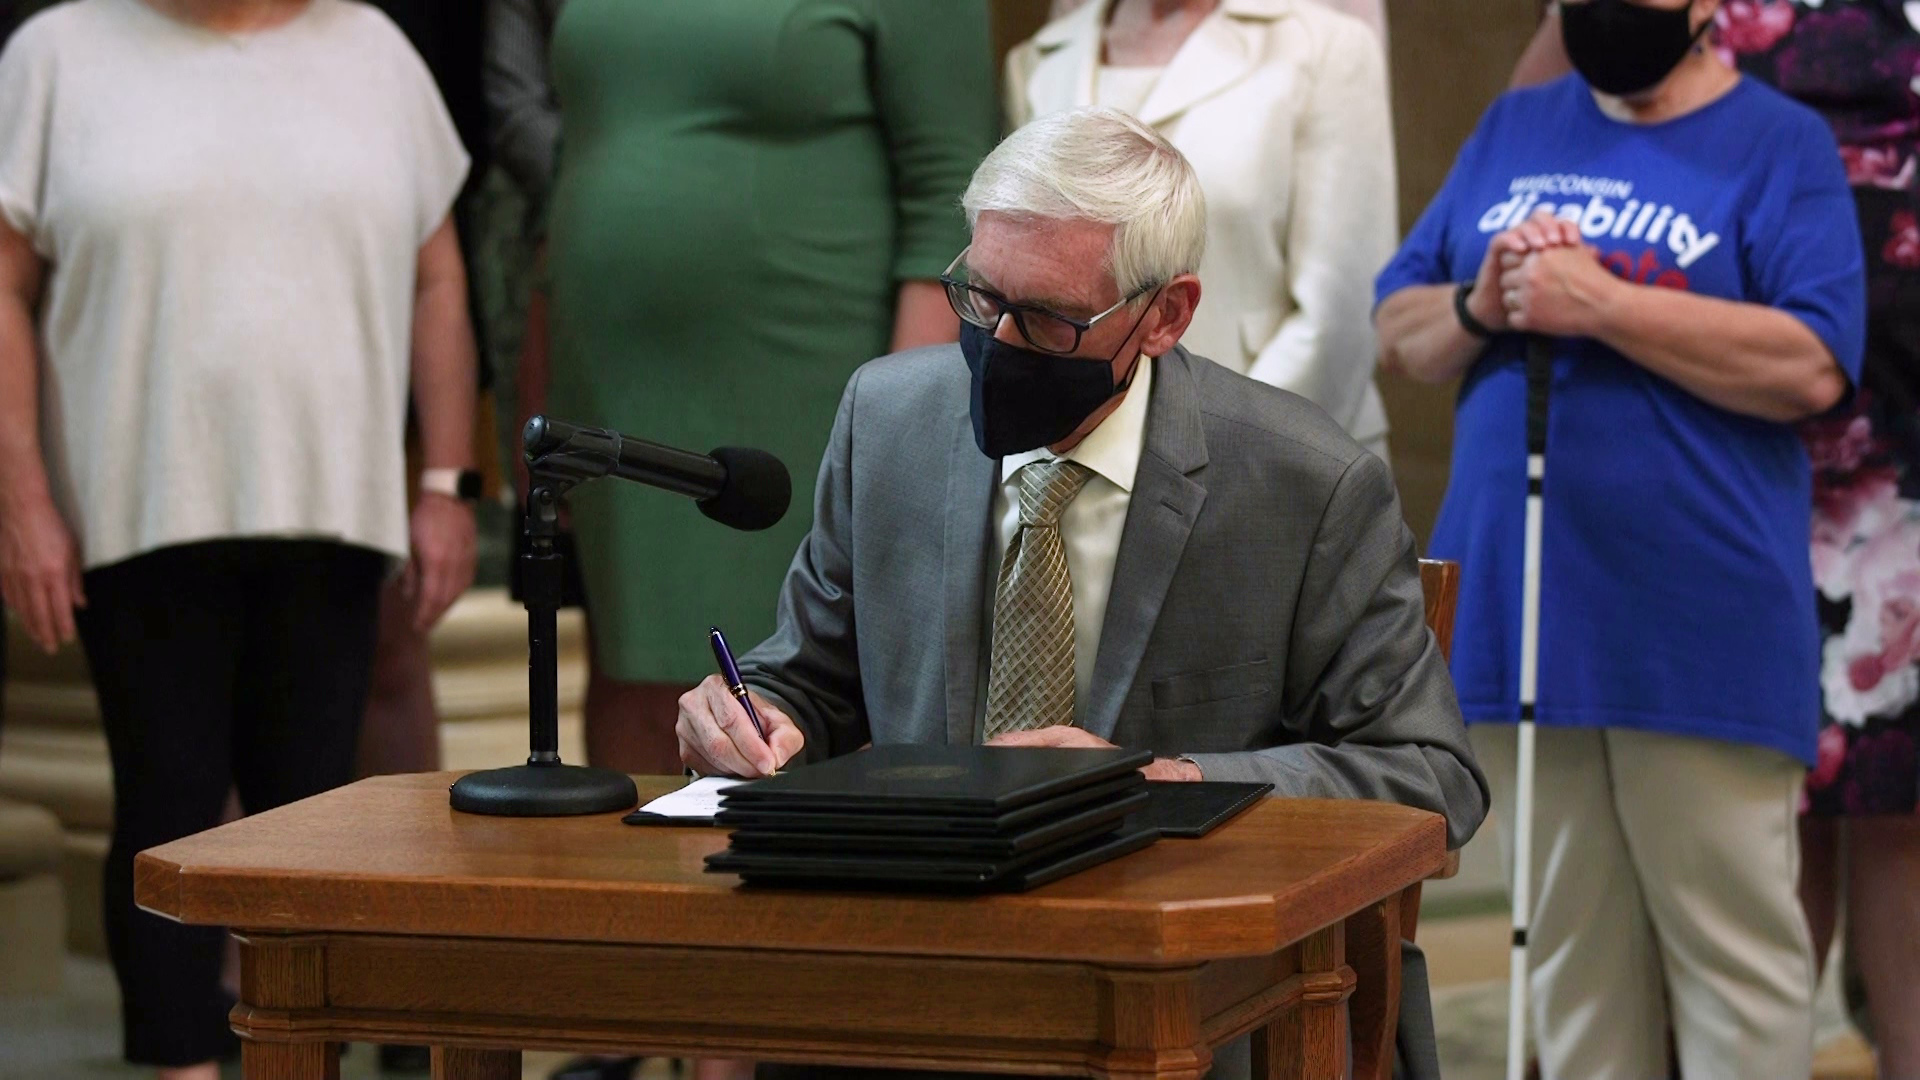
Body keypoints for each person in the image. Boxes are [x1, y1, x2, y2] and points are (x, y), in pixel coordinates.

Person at [675, 106, 1488, 1080]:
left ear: (1167, 315)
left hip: (1192, 998)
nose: (1000, 340)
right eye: (979, 300)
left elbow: (1432, 776)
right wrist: (753, 710)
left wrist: (1175, 784)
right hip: (911, 988)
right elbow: (811, 675)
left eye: (1050, 320)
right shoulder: (887, 418)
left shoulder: (1306, 482)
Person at [1373, 0, 1867, 1076]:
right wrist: (1486, 297)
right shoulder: (1515, 128)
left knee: (1732, 954)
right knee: (1567, 957)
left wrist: (1600, 303)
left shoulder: (1779, 142)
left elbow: (1811, 363)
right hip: (1522, 597)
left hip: (1700, 614)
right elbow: (1401, 325)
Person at [0, 1, 477, 1077]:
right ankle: (182, 1064)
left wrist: (449, 482)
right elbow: (4, 287)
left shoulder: (375, 49)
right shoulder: (58, 52)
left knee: (309, 834)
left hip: (333, 509)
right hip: (139, 507)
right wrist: (20, 495)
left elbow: (438, 275)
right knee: (167, 811)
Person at [1510, 3, 1920, 1072]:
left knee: (1900, 811)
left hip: (1899, 461)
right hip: (1713, 444)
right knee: (1748, 832)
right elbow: (1529, 134)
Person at [539, 0, 996, 777]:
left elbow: (949, 204)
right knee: (629, 662)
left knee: (787, 688)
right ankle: (632, 897)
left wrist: (903, 431)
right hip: (613, 379)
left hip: (801, 372)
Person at [1005, 0, 1396, 463]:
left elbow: (1338, 314)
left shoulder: (1327, 47)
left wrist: (1204, 459)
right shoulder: (1039, 60)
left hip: (1272, 456)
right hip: (1071, 455)